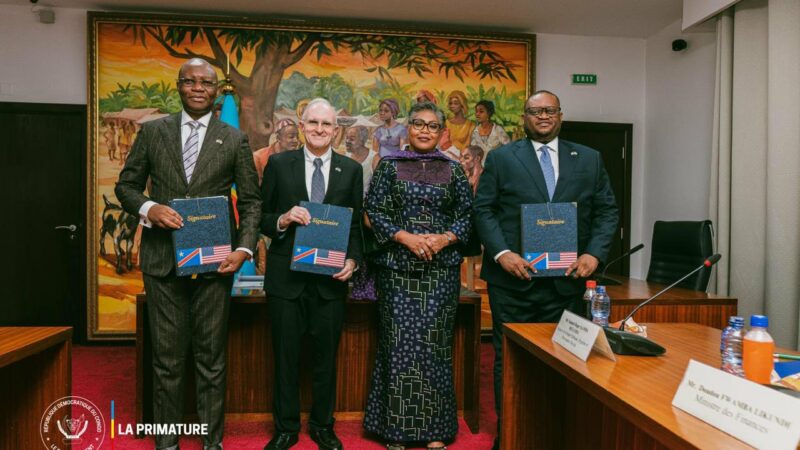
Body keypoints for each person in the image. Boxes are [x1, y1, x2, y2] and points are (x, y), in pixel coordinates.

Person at [115, 58, 261, 450]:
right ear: (178, 86)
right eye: (190, 81)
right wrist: (150, 208)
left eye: (206, 83)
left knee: (211, 359)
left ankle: (211, 442)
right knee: (167, 359)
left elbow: (251, 202)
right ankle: (167, 443)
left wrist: (243, 249)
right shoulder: (153, 132)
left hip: (215, 264)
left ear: (216, 91)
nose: (198, 88)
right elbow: (126, 187)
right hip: (162, 263)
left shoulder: (234, 139)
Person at [473, 90, 618, 450]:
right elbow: (483, 209)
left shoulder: (589, 159)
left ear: (560, 116)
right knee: (510, 359)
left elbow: (607, 211)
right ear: (524, 118)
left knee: (566, 359)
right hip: (513, 282)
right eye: (535, 111)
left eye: (549, 110)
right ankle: (511, 435)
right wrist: (502, 253)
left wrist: (594, 255)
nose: (542, 116)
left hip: (567, 283)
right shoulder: (502, 158)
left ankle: (555, 437)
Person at [363, 101, 473, 450]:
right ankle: (395, 430)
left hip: (440, 273)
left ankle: (435, 430)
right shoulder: (389, 166)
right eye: (418, 124)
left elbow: (468, 215)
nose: (425, 130)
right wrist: (405, 237)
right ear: (407, 128)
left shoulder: (454, 170)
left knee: (435, 347)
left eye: (432, 125)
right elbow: (373, 210)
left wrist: (444, 238)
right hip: (397, 270)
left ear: (442, 131)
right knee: (397, 346)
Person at [260, 98, 363, 450]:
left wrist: (353, 261)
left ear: (336, 130)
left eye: (326, 124)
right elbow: (261, 216)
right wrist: (283, 218)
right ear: (302, 126)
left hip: (329, 281)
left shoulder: (351, 170)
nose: (320, 129)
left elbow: (355, 227)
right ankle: (286, 429)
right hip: (285, 280)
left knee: (325, 359)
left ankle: (322, 426)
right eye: (313, 122)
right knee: (285, 358)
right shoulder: (278, 164)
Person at [252, 118, 300, 183]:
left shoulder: (299, 157)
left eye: (297, 137)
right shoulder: (258, 157)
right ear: (278, 138)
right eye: (291, 137)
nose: (296, 140)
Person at [344, 125, 377, 191]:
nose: (347, 141)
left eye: (352, 139)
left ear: (362, 141)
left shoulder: (374, 158)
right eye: (346, 137)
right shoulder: (347, 155)